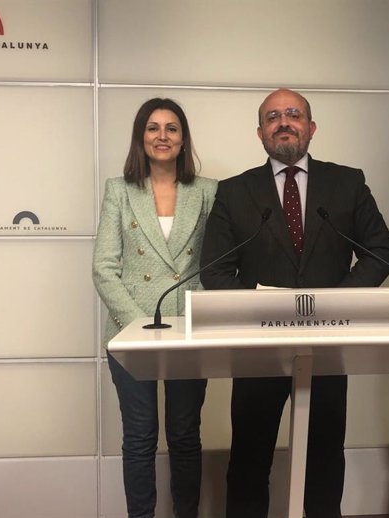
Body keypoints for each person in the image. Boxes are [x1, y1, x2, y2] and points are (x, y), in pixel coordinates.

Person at [200, 88, 389, 518]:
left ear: (311, 127)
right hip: (258, 348)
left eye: (293, 114)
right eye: (273, 117)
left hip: (327, 344)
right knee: (250, 460)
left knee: (325, 457)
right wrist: (259, 312)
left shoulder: (348, 182)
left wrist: (335, 304)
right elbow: (214, 271)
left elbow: (379, 252)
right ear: (260, 132)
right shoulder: (233, 192)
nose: (283, 122)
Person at [92, 98, 217, 518]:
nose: (162, 136)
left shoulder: (208, 191)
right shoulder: (119, 190)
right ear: (140, 138)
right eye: (153, 128)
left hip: (189, 330)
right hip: (131, 334)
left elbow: (216, 263)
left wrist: (199, 317)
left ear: (183, 140)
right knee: (140, 438)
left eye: (171, 128)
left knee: (184, 435)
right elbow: (104, 267)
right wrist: (137, 326)